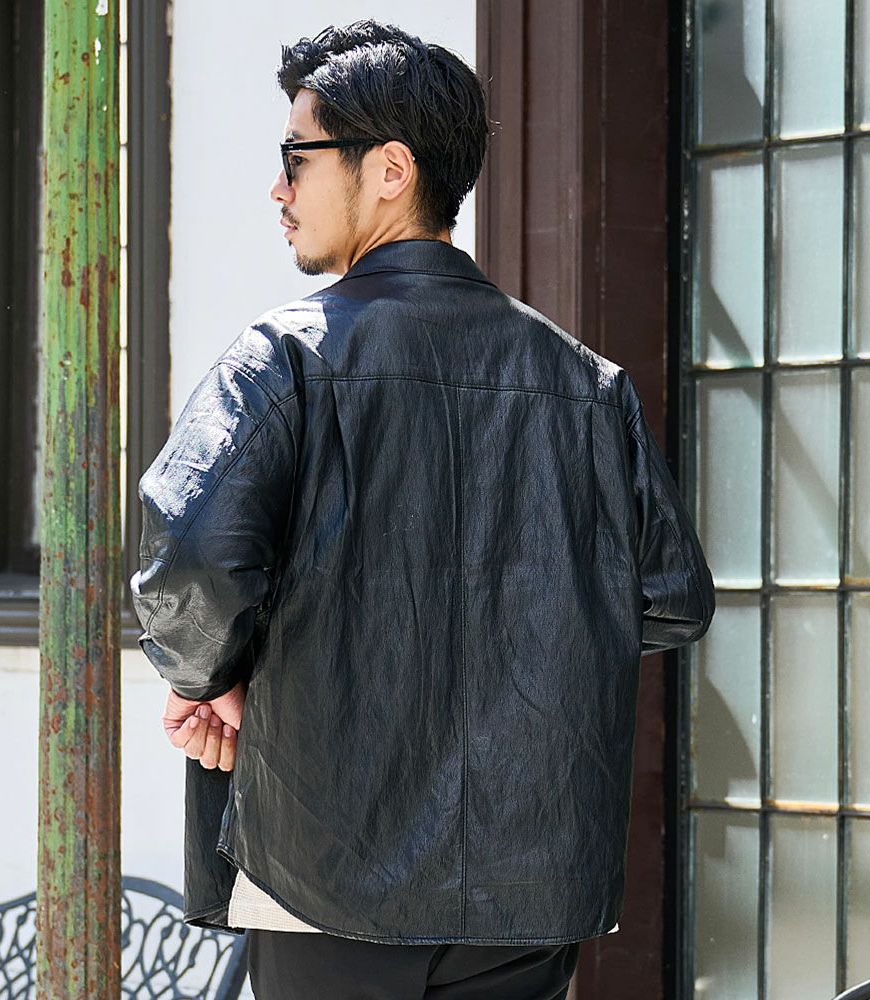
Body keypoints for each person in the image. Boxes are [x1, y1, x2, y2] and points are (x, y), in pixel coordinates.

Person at [130, 18, 716, 1000]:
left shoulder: (286, 359)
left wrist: (215, 678)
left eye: (296, 157)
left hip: (321, 865)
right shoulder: (587, 385)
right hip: (528, 880)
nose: (278, 188)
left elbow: (187, 564)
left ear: (390, 170)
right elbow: (669, 598)